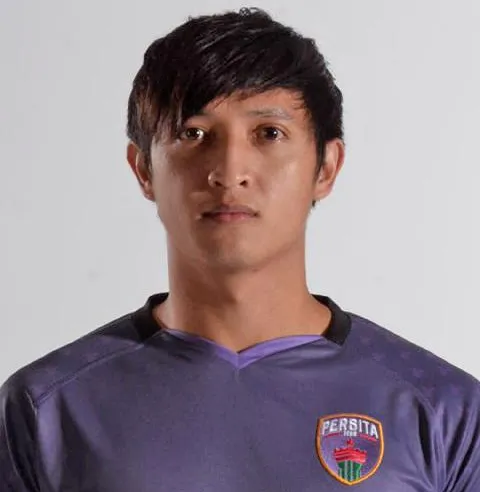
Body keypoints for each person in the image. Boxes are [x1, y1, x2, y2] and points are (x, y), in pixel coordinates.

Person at [1, 7, 479, 491]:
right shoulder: (45, 409)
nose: (229, 172)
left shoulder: (446, 411)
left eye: (269, 134)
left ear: (326, 167)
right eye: (193, 134)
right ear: (144, 169)